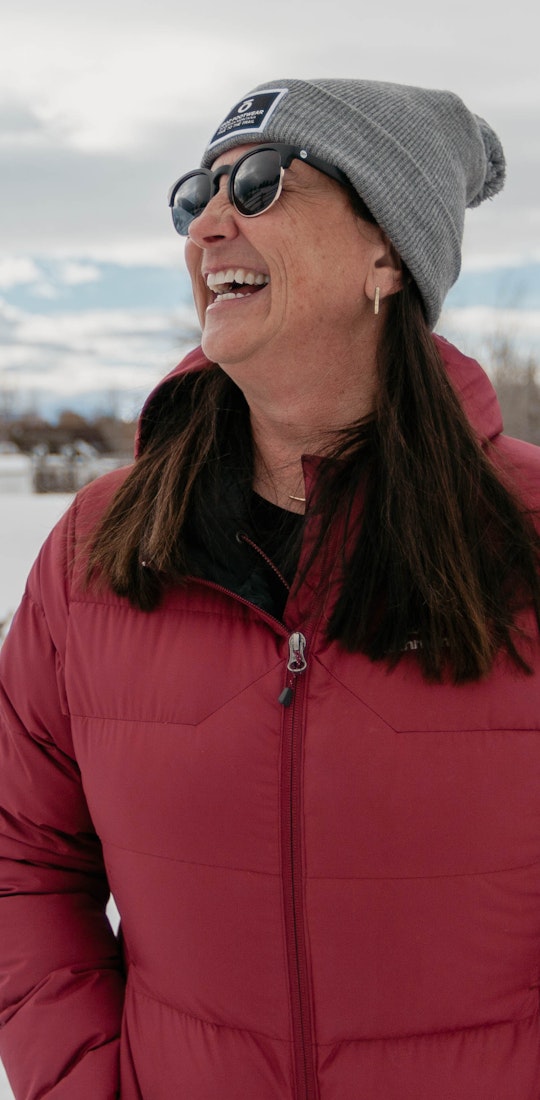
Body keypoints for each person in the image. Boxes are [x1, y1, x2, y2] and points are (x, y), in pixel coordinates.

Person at [1, 77, 540, 1100]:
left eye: (258, 183)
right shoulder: (99, 547)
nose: (207, 225)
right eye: (189, 198)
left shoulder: (527, 532)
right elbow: (22, 858)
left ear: (389, 249)